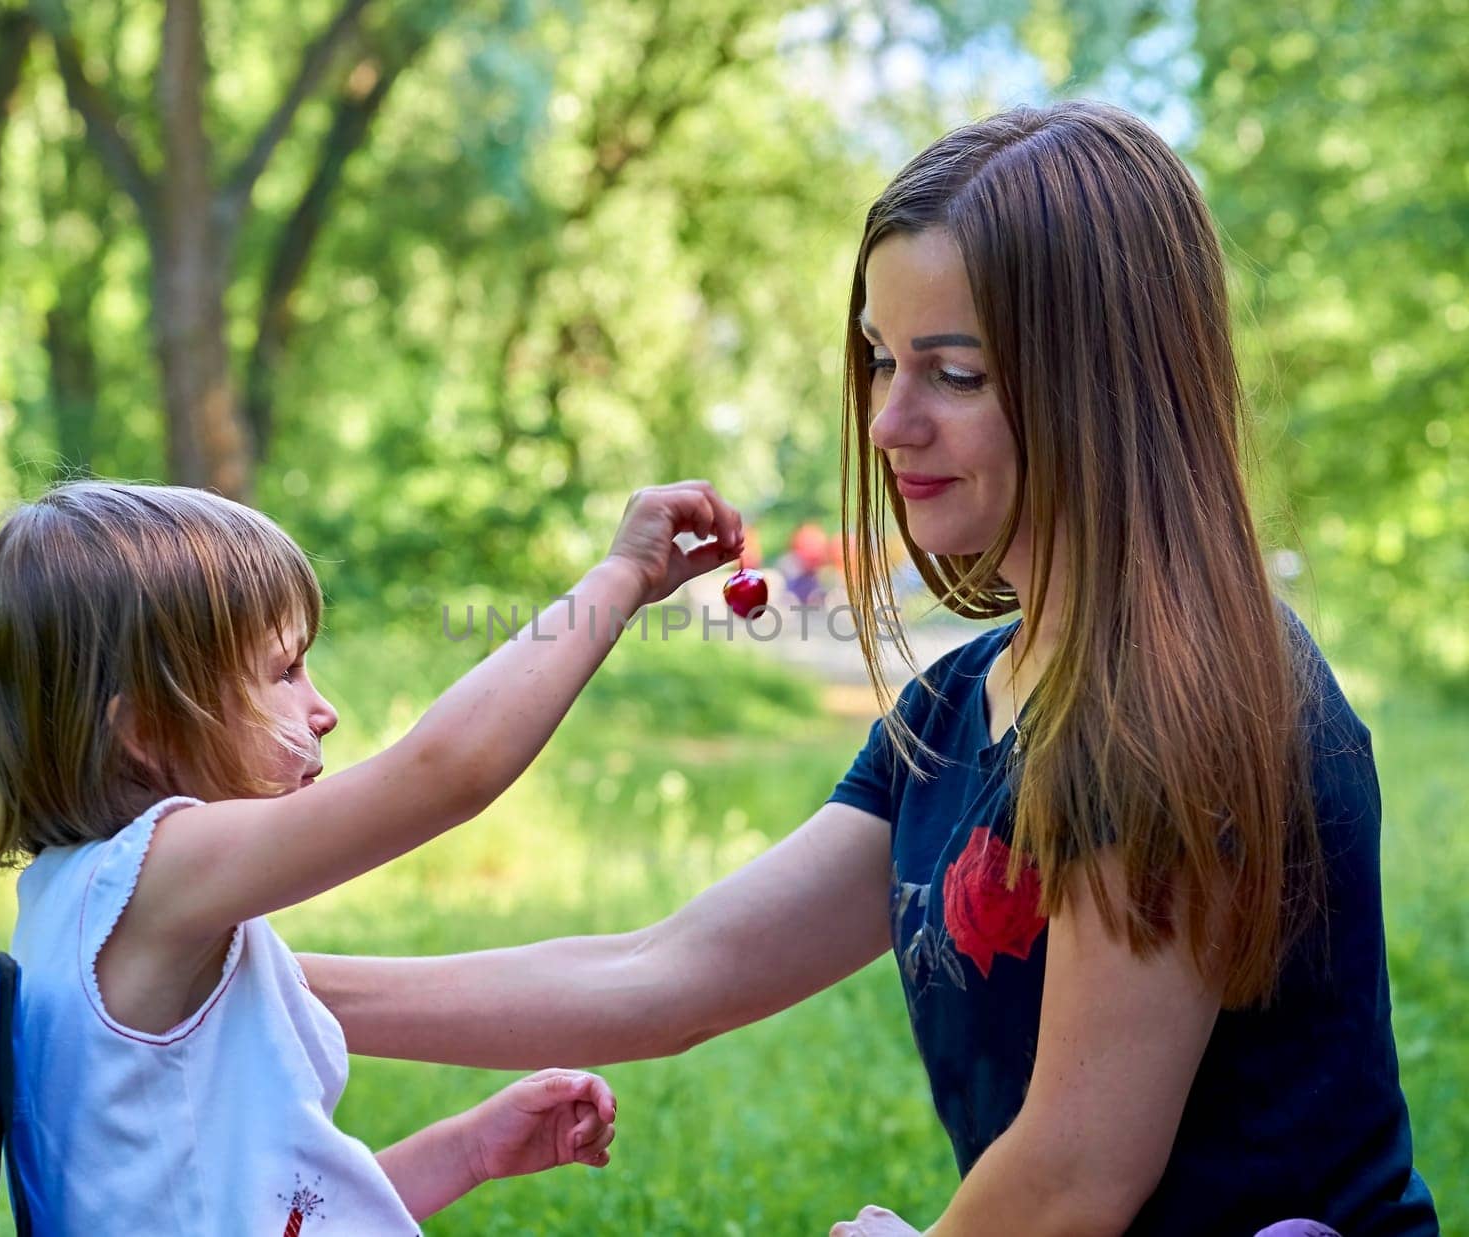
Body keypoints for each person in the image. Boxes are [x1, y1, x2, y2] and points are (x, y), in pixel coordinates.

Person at [293, 103, 1441, 1235]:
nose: (889, 423)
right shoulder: (960, 703)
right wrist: (258, 987)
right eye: (884, 360)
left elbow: (1074, 1177)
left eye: (954, 375)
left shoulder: (1174, 698)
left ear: (1106, 383)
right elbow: (669, 970)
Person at [0, 477, 745, 1233]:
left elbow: (259, 1209)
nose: (323, 709)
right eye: (283, 670)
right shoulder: (156, 881)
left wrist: (465, 1151)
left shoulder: (80, 908)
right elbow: (445, 772)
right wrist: (622, 577)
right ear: (146, 730)